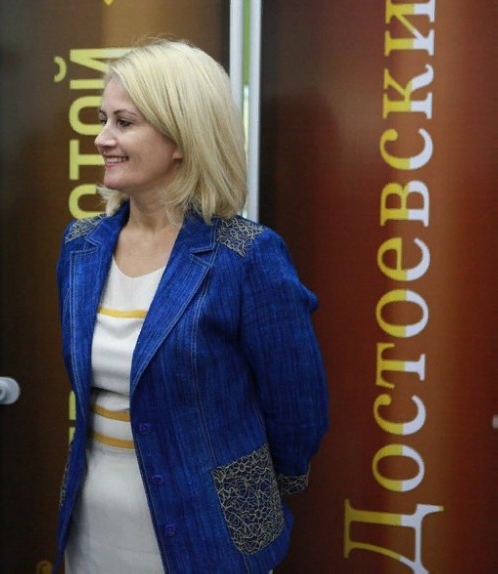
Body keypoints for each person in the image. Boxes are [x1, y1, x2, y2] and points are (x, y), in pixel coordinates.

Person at [54, 39, 328, 573]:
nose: (102, 138)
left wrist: (241, 492)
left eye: (124, 123)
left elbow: (298, 411)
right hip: (93, 522)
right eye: (103, 119)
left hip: (212, 533)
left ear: (181, 137)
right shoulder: (82, 246)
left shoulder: (246, 255)